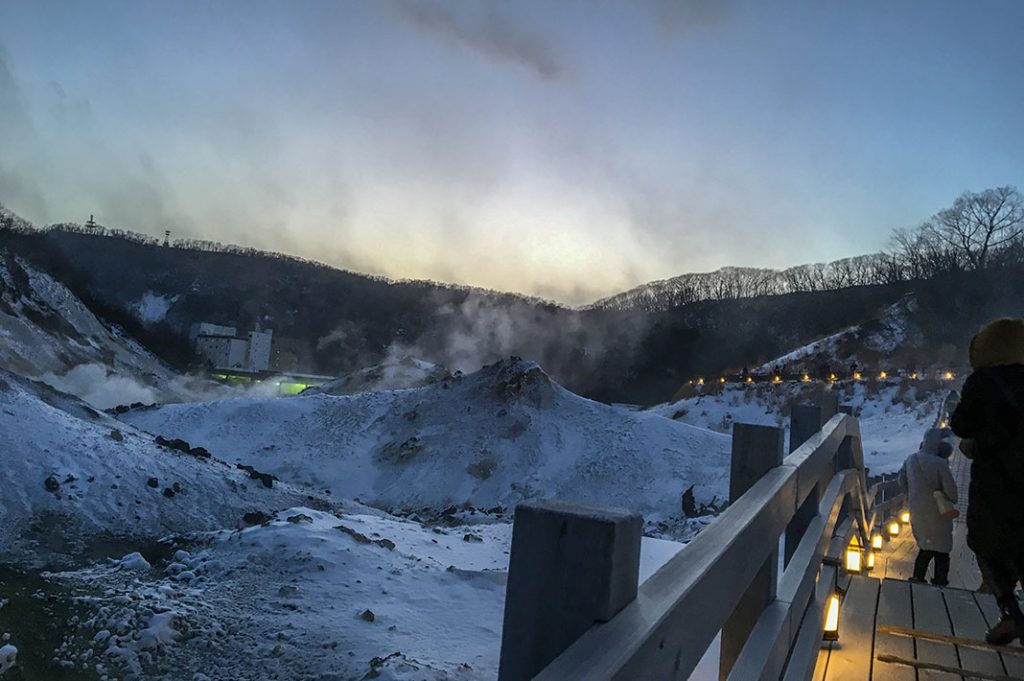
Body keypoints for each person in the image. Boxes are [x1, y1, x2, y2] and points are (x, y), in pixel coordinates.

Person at [950, 317, 1024, 645]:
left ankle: (1011, 612)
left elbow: (961, 426)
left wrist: (975, 444)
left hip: (997, 480)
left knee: (987, 543)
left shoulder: (983, 381)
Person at [898, 429, 958, 586]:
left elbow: (901, 480)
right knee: (942, 548)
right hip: (938, 512)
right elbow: (952, 492)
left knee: (925, 544)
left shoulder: (911, 459)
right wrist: (948, 498)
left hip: (917, 510)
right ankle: (940, 580)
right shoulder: (940, 464)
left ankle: (918, 577)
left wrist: (912, 495)